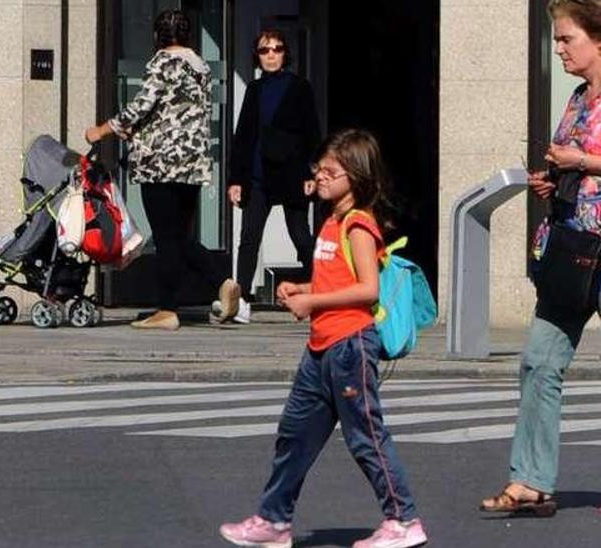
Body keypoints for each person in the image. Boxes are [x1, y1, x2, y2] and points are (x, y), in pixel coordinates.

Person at [480, 0, 601, 519]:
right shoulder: (577, 97)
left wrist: (582, 160)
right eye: (558, 39)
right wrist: (553, 178)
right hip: (571, 249)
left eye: (567, 38)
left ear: (599, 39)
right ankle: (529, 482)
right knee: (539, 362)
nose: (559, 47)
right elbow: (572, 162)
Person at [219, 129, 428, 548]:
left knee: (366, 436)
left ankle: (404, 520)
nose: (321, 176)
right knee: (294, 433)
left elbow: (368, 289)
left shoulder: (358, 224)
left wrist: (312, 300)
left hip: (351, 345)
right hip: (321, 347)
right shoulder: (332, 221)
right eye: (320, 168)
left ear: (356, 175)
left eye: (331, 170)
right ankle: (273, 521)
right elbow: (336, 276)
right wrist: (302, 288)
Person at [84, 9, 240, 330]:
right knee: (177, 235)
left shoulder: (163, 62)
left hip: (160, 163)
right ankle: (221, 281)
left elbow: (142, 104)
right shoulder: (199, 65)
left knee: (167, 238)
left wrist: (102, 130)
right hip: (192, 163)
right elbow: (173, 109)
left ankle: (168, 309)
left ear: (158, 36)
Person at [226, 28, 322, 323]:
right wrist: (235, 180)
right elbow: (243, 136)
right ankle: (240, 302)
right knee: (249, 238)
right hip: (258, 176)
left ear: (285, 53)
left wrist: (312, 170)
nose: (271, 55)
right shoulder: (255, 90)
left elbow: (311, 132)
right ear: (257, 55)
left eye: (277, 49)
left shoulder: (300, 87)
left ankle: (319, 291)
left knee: (300, 236)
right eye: (265, 50)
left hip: (292, 172)